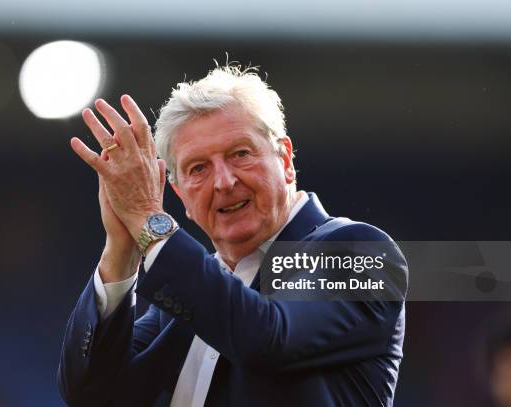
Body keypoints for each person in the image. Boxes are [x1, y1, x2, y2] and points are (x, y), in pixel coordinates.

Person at [57, 65, 408, 406]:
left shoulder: (362, 253)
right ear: (181, 196)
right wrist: (122, 249)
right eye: (199, 168)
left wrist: (149, 220)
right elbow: (92, 395)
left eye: (240, 154)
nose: (224, 181)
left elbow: (267, 338)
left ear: (285, 160)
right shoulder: (186, 301)